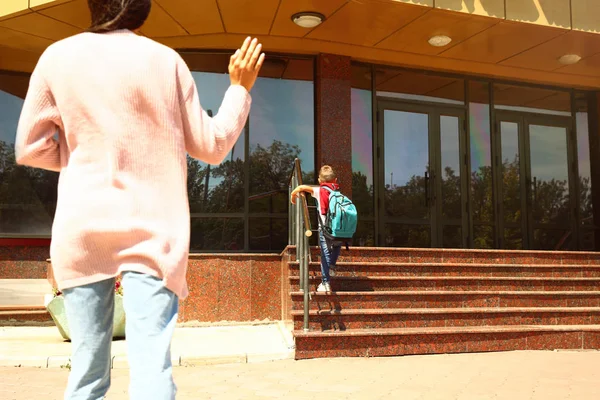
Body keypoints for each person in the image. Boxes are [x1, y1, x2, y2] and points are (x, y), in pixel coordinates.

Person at [14, 0, 265, 398]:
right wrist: (239, 88)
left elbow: (29, 148)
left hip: (82, 227)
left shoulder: (56, 57)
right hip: (152, 230)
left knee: (86, 375)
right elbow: (212, 146)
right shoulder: (165, 62)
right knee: (152, 372)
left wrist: (82, 159)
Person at [290, 165, 342, 293]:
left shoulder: (319, 190)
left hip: (325, 229)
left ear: (320, 181)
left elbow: (300, 187)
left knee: (325, 254)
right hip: (339, 228)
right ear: (335, 180)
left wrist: (292, 195)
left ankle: (326, 282)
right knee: (336, 247)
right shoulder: (338, 192)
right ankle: (332, 266)